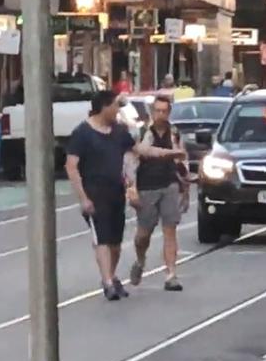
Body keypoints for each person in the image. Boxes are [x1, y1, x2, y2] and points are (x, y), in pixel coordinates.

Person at [65, 90, 185, 301]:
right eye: (115, 107)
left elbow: (141, 150)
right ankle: (108, 282)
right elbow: (71, 167)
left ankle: (112, 275)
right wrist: (83, 197)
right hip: (94, 193)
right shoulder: (82, 133)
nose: (118, 111)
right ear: (104, 107)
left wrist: (170, 154)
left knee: (115, 241)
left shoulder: (118, 132)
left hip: (115, 192)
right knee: (101, 238)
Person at [130, 96, 188, 292]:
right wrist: (132, 189)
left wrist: (185, 190)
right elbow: (141, 155)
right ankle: (140, 260)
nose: (161, 115)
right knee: (143, 235)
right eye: (158, 111)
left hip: (169, 184)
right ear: (152, 112)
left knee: (170, 229)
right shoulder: (143, 132)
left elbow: (182, 162)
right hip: (147, 187)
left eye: (165, 111)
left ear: (169, 112)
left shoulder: (174, 133)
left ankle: (171, 274)